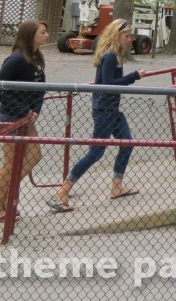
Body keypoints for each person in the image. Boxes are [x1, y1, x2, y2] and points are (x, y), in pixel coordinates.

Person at [50, 19, 147, 211]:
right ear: (115, 36)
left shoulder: (114, 54)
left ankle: (117, 186)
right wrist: (134, 76)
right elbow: (109, 84)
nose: (130, 40)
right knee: (96, 152)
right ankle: (62, 191)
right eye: (126, 36)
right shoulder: (110, 55)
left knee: (127, 143)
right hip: (104, 109)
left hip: (112, 109)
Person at [0, 20, 48, 217]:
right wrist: (22, 109)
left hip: (26, 117)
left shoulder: (36, 59)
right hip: (10, 117)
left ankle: (6, 199)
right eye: (43, 32)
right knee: (11, 162)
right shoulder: (16, 59)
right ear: (31, 35)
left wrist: (35, 110)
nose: (47, 35)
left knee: (33, 156)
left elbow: (40, 89)